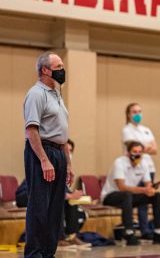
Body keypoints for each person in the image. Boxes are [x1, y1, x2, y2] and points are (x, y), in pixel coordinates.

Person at [23, 51, 74, 258]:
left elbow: (62, 135)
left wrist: (68, 164)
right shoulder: (36, 93)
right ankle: (34, 253)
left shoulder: (57, 95)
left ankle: (48, 253)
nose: (63, 70)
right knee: (39, 206)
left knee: (55, 209)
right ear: (45, 70)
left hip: (59, 152)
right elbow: (31, 130)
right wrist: (44, 160)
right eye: (58, 66)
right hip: (42, 151)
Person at [100, 141, 160, 246]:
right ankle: (129, 232)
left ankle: (159, 232)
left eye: (140, 151)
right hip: (111, 196)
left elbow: (148, 183)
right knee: (127, 194)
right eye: (134, 151)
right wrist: (144, 190)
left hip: (129, 197)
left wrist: (150, 189)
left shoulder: (144, 164)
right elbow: (122, 187)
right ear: (128, 152)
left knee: (156, 196)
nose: (137, 154)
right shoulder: (119, 163)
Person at [122, 102, 157, 239]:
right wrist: (144, 147)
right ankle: (139, 230)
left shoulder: (146, 129)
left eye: (139, 111)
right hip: (135, 168)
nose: (137, 114)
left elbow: (155, 149)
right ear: (129, 114)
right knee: (139, 198)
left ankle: (146, 229)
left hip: (149, 167)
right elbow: (134, 148)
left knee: (148, 197)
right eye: (134, 112)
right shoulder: (127, 130)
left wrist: (144, 147)